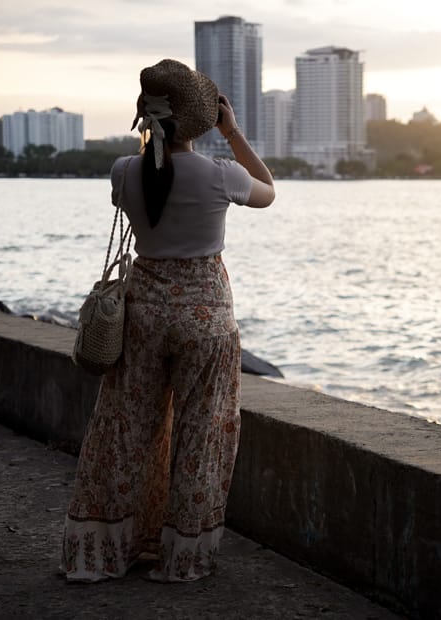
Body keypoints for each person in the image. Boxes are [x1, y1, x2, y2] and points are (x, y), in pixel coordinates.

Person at [60, 59, 274, 583]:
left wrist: (153, 139)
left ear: (145, 114)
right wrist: (234, 132)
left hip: (144, 317)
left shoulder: (124, 172)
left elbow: (149, 173)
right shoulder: (222, 175)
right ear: (202, 117)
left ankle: (107, 552)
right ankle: (182, 559)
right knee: (203, 434)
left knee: (126, 431)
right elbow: (268, 190)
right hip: (206, 321)